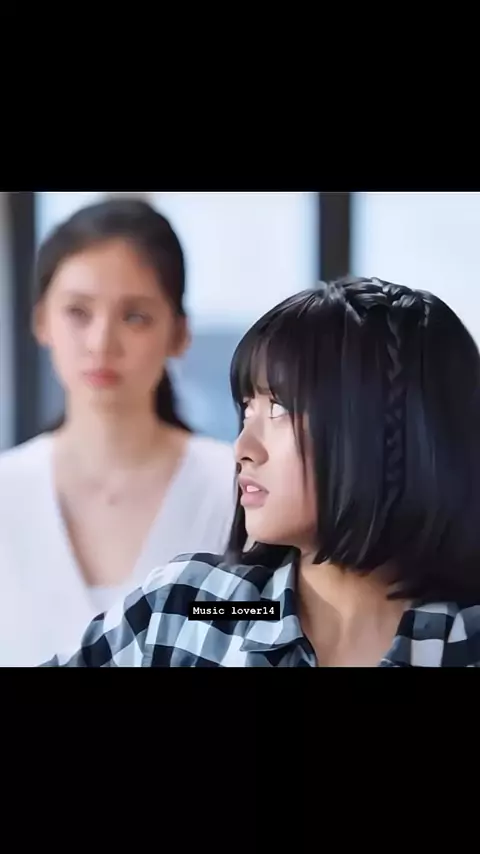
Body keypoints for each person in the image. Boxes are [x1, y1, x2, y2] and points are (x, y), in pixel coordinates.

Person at [40, 275, 480, 667]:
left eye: (280, 408)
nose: (242, 449)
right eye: (247, 408)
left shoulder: (463, 642)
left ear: (386, 431)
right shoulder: (195, 609)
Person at [0, 198, 236, 666]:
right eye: (77, 312)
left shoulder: (236, 489)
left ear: (179, 333)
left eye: (135, 316)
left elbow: (271, 614)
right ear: (41, 320)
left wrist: (205, 612)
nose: (101, 342)